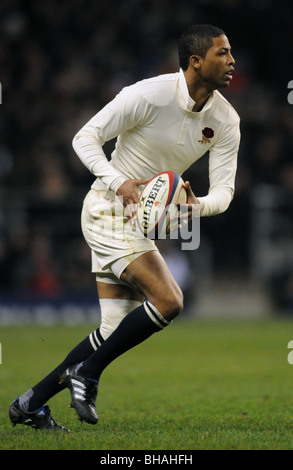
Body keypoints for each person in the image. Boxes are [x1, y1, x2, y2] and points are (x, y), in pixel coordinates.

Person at [9, 24, 240, 430]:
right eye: (222, 53)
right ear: (195, 61)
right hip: (106, 208)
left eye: (231, 52)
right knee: (170, 301)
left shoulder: (226, 119)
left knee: (113, 331)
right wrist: (119, 182)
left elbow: (224, 190)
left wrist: (195, 206)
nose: (232, 60)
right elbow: (85, 137)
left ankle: (29, 403)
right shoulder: (148, 94)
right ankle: (87, 373)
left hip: (141, 221)